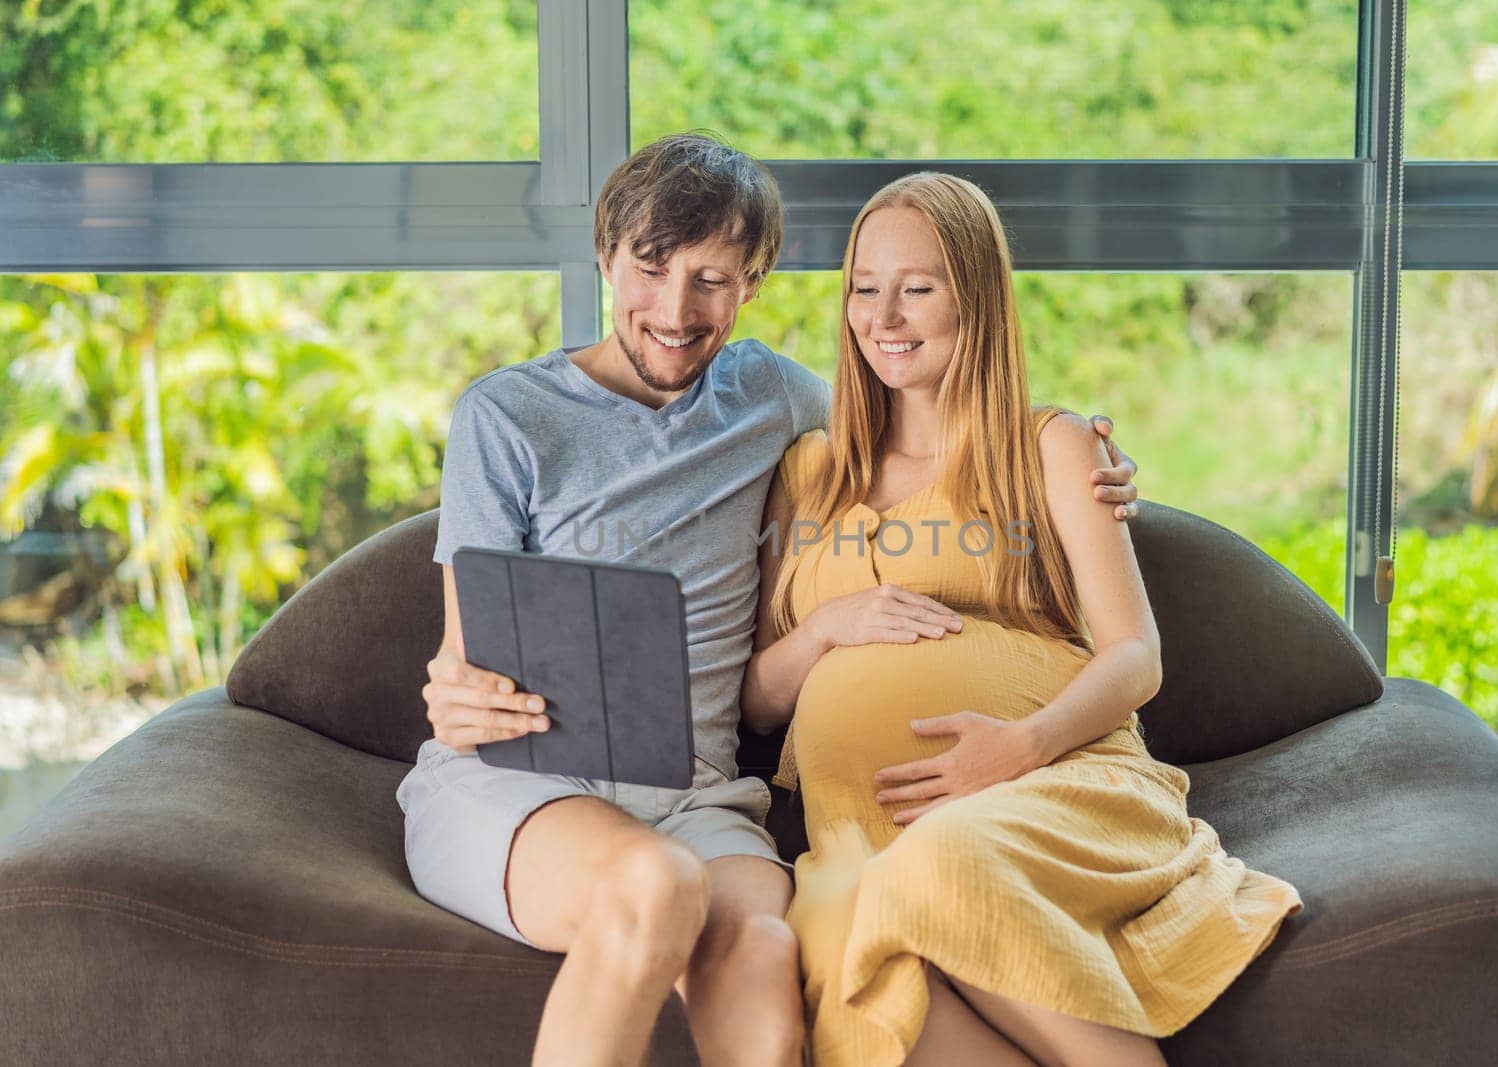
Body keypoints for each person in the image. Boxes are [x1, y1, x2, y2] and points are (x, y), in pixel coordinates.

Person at [393, 133, 1143, 1067]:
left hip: (698, 795)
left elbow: (927, 414)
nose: (674, 310)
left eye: (712, 278)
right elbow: (468, 650)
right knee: (658, 884)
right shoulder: (506, 416)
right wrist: (457, 690)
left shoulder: (776, 399)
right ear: (604, 257)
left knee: (764, 947)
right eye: (650, 267)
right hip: (522, 781)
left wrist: (1093, 453)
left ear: (753, 284)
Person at [741, 172, 1305, 1067]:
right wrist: (823, 630)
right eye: (864, 287)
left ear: (976, 296)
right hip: (857, 836)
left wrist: (1019, 746)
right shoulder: (811, 470)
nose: (884, 316)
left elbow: (1135, 654)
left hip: (1048, 786)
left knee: (937, 866)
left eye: (917, 288)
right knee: (859, 959)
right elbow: (761, 702)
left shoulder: (1051, 445)